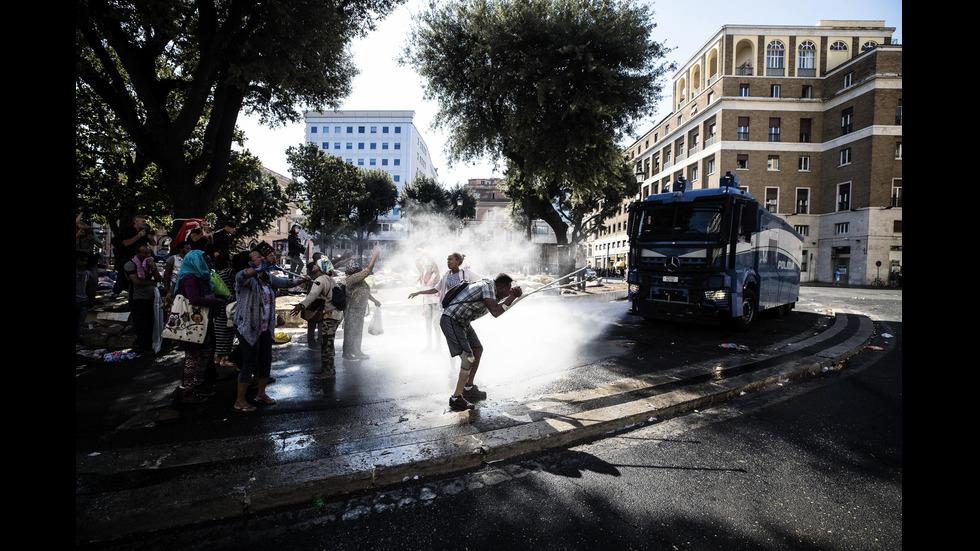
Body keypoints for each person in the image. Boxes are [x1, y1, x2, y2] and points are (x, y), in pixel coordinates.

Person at [232, 249, 308, 412]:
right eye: (257, 257)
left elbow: (285, 283)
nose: (261, 258)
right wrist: (261, 266)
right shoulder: (242, 278)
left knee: (265, 360)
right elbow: (244, 275)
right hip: (248, 327)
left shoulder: (266, 278)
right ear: (249, 263)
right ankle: (240, 401)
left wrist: (300, 280)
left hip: (265, 327)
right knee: (249, 363)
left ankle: (261, 394)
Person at [440, 273, 523, 411]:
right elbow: (496, 312)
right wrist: (512, 296)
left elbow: (497, 308)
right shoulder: (488, 286)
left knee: (477, 349)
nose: (505, 294)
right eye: (506, 290)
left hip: (463, 322)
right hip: (452, 320)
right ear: (501, 286)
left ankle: (469, 387)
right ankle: (456, 398)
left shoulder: (491, 289)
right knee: (468, 359)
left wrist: (511, 297)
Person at [173, 250, 226, 402]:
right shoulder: (190, 277)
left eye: (210, 262)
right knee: (193, 356)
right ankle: (188, 391)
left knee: (205, 353)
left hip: (202, 323)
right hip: (192, 324)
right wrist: (217, 301)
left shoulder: (202, 277)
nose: (210, 265)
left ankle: (197, 385)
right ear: (197, 263)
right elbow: (194, 299)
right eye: (207, 262)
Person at [291, 257, 344, 379]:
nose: (313, 266)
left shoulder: (320, 280)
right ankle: (326, 368)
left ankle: (329, 371)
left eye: (315, 264)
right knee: (325, 343)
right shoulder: (329, 279)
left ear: (320, 267)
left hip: (330, 316)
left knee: (327, 344)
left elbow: (313, 295)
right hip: (334, 315)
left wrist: (301, 305)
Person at [342, 247, 381, 360]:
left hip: (360, 310)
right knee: (350, 332)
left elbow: (364, 291)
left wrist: (374, 300)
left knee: (358, 331)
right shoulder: (351, 279)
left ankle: (357, 351)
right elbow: (367, 271)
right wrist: (374, 256)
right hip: (352, 310)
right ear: (354, 272)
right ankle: (347, 353)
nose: (360, 272)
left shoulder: (359, 281)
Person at [124, 244, 163, 353]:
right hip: (138, 297)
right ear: (138, 253)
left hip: (151, 297)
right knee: (141, 323)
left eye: (149, 253)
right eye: (145, 253)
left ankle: (149, 345)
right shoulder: (130, 265)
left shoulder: (149, 264)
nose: (148, 255)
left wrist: (153, 267)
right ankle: (142, 346)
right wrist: (152, 283)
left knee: (151, 322)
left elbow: (159, 278)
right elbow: (136, 281)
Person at [408, 252, 484, 304]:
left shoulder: (466, 273)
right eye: (447, 260)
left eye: (450, 259)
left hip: (462, 306)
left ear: (457, 261)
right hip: (449, 306)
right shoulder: (445, 276)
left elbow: (483, 279)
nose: (448, 261)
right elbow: (435, 289)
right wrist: (418, 293)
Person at [113, 215, 156, 297]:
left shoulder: (145, 231)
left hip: (142, 255)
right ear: (136, 222)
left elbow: (153, 243)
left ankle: (147, 285)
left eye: (145, 221)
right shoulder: (128, 230)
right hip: (129, 254)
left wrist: (150, 238)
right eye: (142, 221)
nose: (144, 223)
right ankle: (117, 291)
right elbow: (126, 243)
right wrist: (138, 236)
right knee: (123, 270)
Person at [413, 253, 442, 351]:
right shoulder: (423, 273)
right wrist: (422, 254)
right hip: (426, 301)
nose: (427, 267)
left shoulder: (436, 274)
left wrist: (429, 255)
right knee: (427, 324)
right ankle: (429, 345)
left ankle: (438, 345)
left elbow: (435, 265)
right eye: (426, 265)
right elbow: (417, 262)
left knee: (436, 324)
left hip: (436, 301)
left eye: (429, 265)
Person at [76, 253, 97, 343]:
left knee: (80, 323)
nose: (84, 263)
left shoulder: (87, 274)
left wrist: (91, 299)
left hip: (83, 301)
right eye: (81, 261)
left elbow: (90, 287)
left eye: (85, 261)